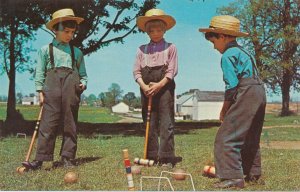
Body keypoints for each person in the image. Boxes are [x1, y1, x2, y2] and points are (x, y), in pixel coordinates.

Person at [199, 15, 266, 188]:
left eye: (213, 42)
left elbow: (232, 86)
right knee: (250, 135)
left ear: (222, 36)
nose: (214, 48)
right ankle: (253, 172)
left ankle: (233, 177)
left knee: (226, 136)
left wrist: (224, 110)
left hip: (246, 92)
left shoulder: (228, 55)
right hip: (259, 91)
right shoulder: (245, 52)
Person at [23, 8, 88, 170]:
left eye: (72, 32)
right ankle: (40, 159)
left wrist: (83, 83)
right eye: (66, 31)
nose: (69, 35)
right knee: (48, 123)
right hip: (51, 87)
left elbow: (83, 74)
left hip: (71, 88)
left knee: (70, 122)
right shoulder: (45, 50)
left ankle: (67, 157)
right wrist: (39, 91)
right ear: (55, 30)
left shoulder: (77, 52)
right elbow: (40, 72)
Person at [133, 9, 181, 167]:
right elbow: (136, 71)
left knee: (166, 122)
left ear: (165, 30)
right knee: (149, 122)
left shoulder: (171, 47)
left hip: (165, 88)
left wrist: (159, 85)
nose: (155, 33)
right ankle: (151, 155)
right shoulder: (141, 49)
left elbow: (171, 71)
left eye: (159, 29)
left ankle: (166, 157)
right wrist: (144, 86)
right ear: (147, 32)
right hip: (146, 89)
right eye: (152, 30)